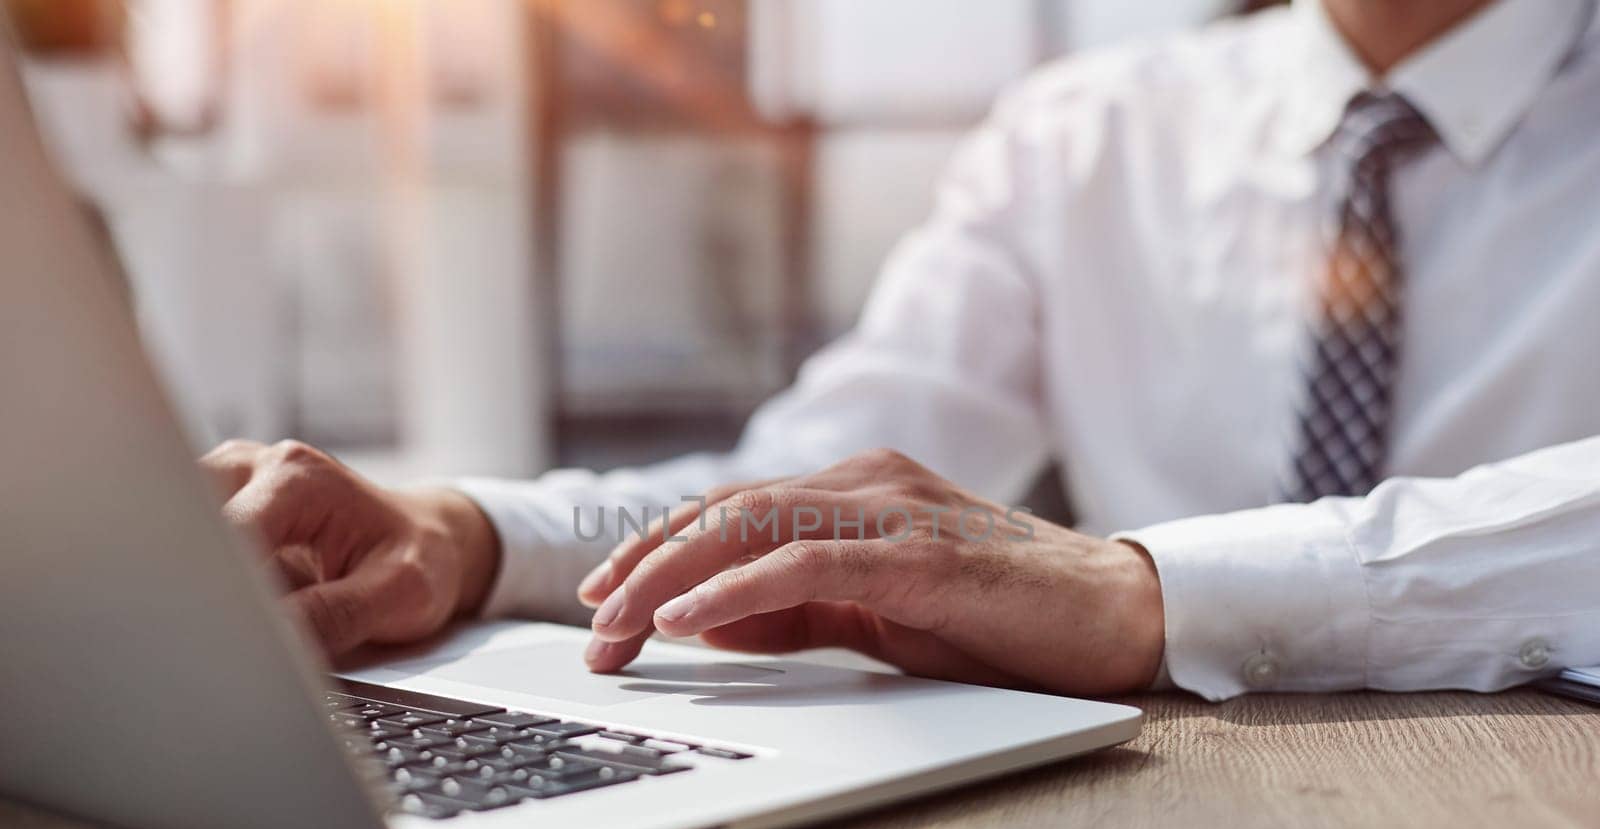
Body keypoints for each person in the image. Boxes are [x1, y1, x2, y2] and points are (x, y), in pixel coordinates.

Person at [202, 0, 1600, 701]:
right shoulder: (1086, 135)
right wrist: (469, 534)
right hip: (1148, 820)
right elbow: (807, 491)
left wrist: (1150, 590)